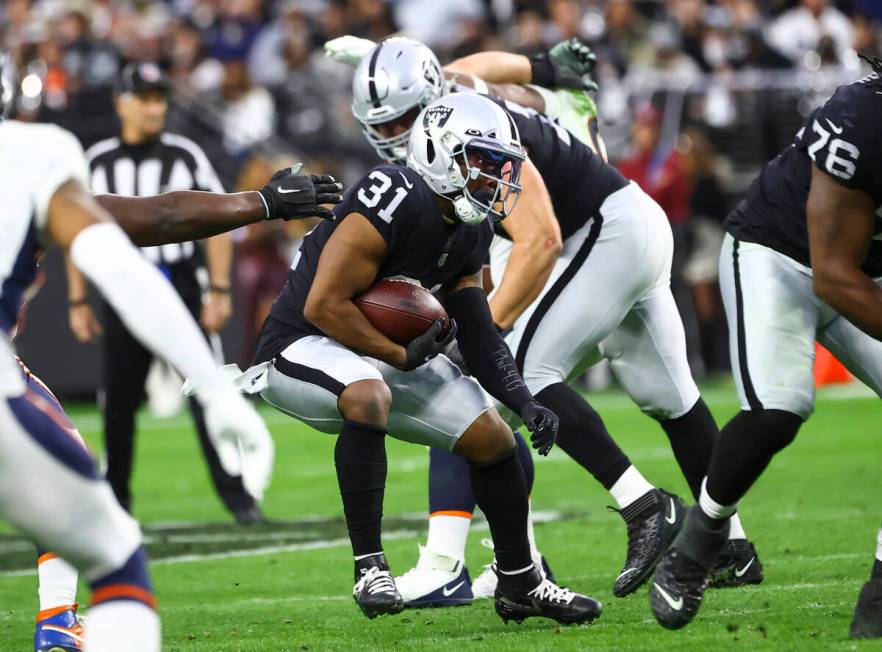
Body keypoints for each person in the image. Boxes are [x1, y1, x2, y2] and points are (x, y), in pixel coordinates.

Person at [345, 36, 761, 607]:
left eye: (404, 122)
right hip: (626, 228)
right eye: (384, 126)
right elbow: (468, 67)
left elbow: (540, 239)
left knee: (514, 373)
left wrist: (485, 330)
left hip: (599, 234)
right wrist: (541, 66)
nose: (395, 137)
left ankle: (644, 507)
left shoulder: (471, 129)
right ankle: (731, 547)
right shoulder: (457, 97)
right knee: (674, 400)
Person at [245, 91, 602, 624]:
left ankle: (520, 581)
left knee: (493, 438)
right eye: (483, 162)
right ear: (439, 152)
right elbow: (324, 304)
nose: (496, 179)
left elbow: (479, 334)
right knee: (368, 393)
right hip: (300, 344)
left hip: (375, 354)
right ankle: (370, 567)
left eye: (501, 166)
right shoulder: (391, 193)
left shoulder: (472, 225)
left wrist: (524, 403)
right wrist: (397, 351)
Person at [0, 53, 275, 652]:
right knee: (114, 548)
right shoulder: (32, 153)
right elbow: (153, 224)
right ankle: (55, 626)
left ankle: (56, 623)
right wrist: (212, 380)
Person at [649, 56, 882, 637]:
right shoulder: (863, 118)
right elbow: (832, 272)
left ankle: (880, 589)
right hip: (779, 257)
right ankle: (702, 537)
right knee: (781, 408)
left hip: (864, 269)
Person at [64, 63, 257, 524]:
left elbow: (217, 224)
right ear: (121, 102)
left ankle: (238, 497)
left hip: (182, 286)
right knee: (118, 405)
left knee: (209, 391)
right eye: (144, 98)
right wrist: (77, 300)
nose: (154, 107)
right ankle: (117, 503)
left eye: (159, 98)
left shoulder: (185, 154)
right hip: (121, 289)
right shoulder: (97, 160)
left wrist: (221, 290)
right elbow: (71, 231)